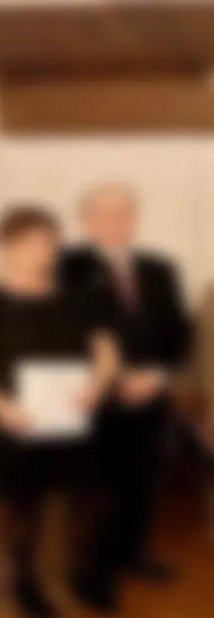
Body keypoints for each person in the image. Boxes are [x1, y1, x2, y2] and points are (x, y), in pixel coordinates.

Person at [0, 206, 121, 618]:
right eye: (34, 244)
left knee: (89, 498)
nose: (45, 253)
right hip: (13, 419)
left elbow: (107, 353)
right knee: (23, 503)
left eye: (50, 244)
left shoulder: (80, 299)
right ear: (5, 247)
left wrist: (97, 386)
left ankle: (84, 577)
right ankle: (25, 583)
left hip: (76, 413)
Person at [59, 183, 191, 583]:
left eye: (123, 213)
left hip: (150, 391)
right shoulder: (66, 268)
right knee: (94, 484)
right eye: (103, 214)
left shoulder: (160, 267)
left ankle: (134, 553)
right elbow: (63, 332)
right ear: (86, 222)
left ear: (135, 219)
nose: (115, 222)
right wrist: (115, 378)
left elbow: (178, 329)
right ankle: (93, 563)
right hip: (95, 392)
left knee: (142, 479)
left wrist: (159, 374)